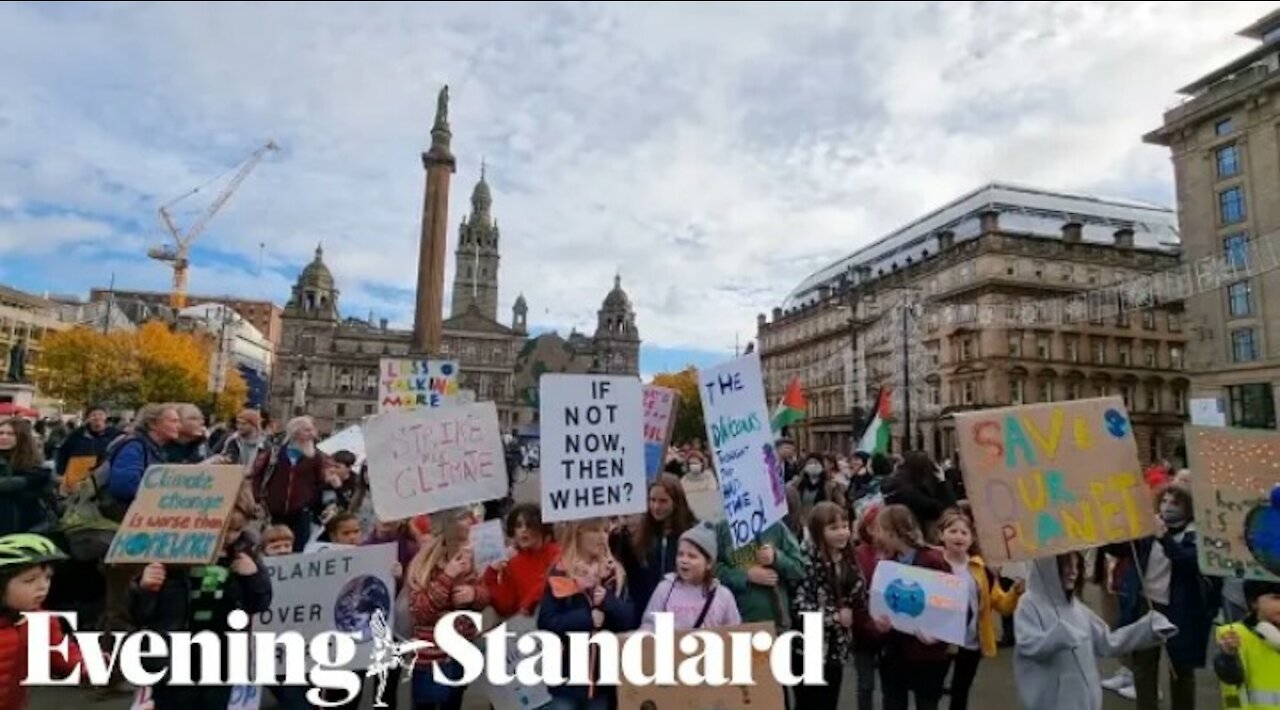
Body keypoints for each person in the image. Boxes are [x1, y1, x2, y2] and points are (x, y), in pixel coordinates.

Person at [130, 500, 272, 710]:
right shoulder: (167, 556)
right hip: (173, 658)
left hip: (222, 657)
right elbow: (138, 612)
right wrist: (145, 588)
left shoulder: (244, 555)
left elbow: (259, 603)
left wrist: (253, 577)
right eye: (222, 530)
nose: (228, 537)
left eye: (236, 530)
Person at [1013, 552, 1176, 710]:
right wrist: (1057, 636)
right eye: (1066, 566)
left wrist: (1147, 628)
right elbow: (1028, 645)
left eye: (1077, 566)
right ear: (1047, 568)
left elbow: (1108, 643)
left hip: (1087, 701)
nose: (1073, 572)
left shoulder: (1076, 607)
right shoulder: (1029, 605)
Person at [1117, 485, 1216, 710]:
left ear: (1188, 508)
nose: (1167, 507)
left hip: (1179, 611)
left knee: (1181, 669)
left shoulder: (1195, 534)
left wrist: (1164, 538)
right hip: (1147, 605)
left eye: (1175, 503)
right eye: (1164, 501)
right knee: (1144, 667)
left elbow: (1185, 560)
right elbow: (1124, 551)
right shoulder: (1149, 529)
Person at [538, 518, 634, 710]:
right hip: (566, 677)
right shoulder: (561, 573)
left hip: (602, 679)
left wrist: (608, 602)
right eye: (594, 531)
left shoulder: (614, 574)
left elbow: (629, 619)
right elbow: (547, 622)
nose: (602, 537)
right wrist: (586, 618)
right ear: (578, 533)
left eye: (605, 531)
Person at [936, 507, 1023, 710]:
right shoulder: (933, 563)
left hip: (971, 642)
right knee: (931, 690)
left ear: (972, 538)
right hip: (939, 641)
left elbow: (1001, 605)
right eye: (953, 531)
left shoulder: (979, 569)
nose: (959, 536)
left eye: (964, 532)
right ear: (941, 534)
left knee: (961, 690)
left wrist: (1015, 592)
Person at [868, 504, 950, 710]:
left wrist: (938, 634)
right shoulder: (887, 564)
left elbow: (952, 605)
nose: (877, 535)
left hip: (927, 652)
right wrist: (879, 625)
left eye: (880, 529)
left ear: (893, 531)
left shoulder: (933, 560)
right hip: (895, 651)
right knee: (894, 702)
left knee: (926, 703)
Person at [792, 501, 870, 710]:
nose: (842, 533)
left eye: (844, 526)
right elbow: (799, 605)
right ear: (818, 530)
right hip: (808, 645)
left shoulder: (850, 559)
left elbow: (860, 595)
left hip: (837, 646)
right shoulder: (805, 561)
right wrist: (833, 617)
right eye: (833, 528)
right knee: (809, 703)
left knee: (829, 700)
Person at [407, 509, 488, 710]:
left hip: (460, 653)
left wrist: (474, 594)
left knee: (453, 702)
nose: (469, 521)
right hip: (431, 659)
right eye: (462, 517)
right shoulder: (422, 566)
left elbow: (484, 597)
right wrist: (447, 577)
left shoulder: (471, 562)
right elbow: (421, 610)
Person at [0, 534, 86, 710]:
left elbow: (64, 657)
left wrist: (91, 664)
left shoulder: (40, 622)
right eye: (30, 580)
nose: (43, 586)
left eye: (47, 577)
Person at [613, 474, 695, 610]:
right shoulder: (638, 535)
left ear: (676, 502)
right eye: (652, 500)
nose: (656, 506)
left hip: (682, 610)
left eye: (663, 501)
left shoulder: (691, 534)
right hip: (647, 611)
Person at [639, 521, 739, 630]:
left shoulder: (723, 595)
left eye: (692, 556)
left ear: (709, 563)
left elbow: (734, 631)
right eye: (680, 554)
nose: (684, 560)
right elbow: (649, 626)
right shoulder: (665, 589)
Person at [714, 516, 805, 631]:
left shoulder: (775, 526)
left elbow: (799, 569)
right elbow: (712, 571)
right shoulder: (722, 529)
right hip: (739, 623)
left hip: (777, 622)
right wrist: (745, 576)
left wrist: (776, 557)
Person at [251, 416, 326, 552]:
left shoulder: (316, 457)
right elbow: (257, 476)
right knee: (273, 546)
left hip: (301, 513)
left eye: (312, 430)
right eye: (307, 430)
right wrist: (257, 500)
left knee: (299, 549)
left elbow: (320, 483)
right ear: (295, 432)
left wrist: (309, 503)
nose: (312, 434)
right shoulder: (274, 453)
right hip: (274, 512)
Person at [485, 503, 561, 618]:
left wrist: (529, 602)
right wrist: (492, 574)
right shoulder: (512, 564)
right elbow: (505, 607)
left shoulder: (557, 553)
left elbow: (552, 583)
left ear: (541, 528)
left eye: (529, 525)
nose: (523, 530)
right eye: (518, 526)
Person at [1214, 581, 1280, 709]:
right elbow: (1230, 677)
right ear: (1254, 602)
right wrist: (1229, 655)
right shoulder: (1235, 636)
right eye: (1277, 598)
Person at [880, 451, 955, 539]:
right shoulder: (909, 493)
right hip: (916, 534)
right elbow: (945, 508)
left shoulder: (895, 485)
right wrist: (942, 482)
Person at [851, 506, 882, 710]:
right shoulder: (858, 555)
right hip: (862, 630)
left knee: (892, 685)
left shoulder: (895, 553)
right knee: (866, 684)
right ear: (868, 528)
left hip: (890, 631)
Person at [0, 418, 52, 536]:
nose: (4, 437)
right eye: (1, 433)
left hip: (27, 525)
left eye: (10, 434)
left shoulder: (34, 464)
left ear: (22, 437)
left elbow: (43, 492)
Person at [55, 405, 119, 493]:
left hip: (102, 482)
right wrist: (60, 473)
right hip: (76, 481)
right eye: (93, 415)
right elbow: (63, 452)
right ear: (88, 419)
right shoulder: (76, 436)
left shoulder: (115, 435)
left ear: (106, 417)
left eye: (100, 414)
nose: (97, 417)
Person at [787, 453, 847, 526]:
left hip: (822, 523)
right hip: (800, 523)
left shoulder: (830, 486)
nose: (813, 466)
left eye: (816, 463)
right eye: (810, 463)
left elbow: (841, 504)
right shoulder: (797, 484)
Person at [679, 450, 722, 523]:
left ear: (701, 463)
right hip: (690, 515)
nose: (693, 466)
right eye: (691, 464)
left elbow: (712, 494)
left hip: (708, 513)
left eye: (695, 463)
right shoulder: (684, 480)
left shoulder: (709, 477)